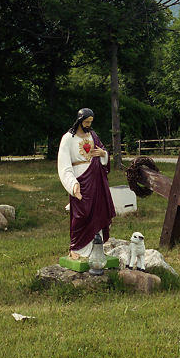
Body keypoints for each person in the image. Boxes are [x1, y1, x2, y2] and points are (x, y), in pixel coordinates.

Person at [57, 108, 115, 259]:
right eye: (86, 122)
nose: (89, 125)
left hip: (96, 179)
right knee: (80, 214)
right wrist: (73, 184)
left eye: (91, 122)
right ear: (79, 121)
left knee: (98, 212)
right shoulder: (68, 139)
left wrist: (103, 154)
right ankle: (76, 247)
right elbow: (63, 165)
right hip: (80, 179)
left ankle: (96, 248)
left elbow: (103, 152)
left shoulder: (93, 136)